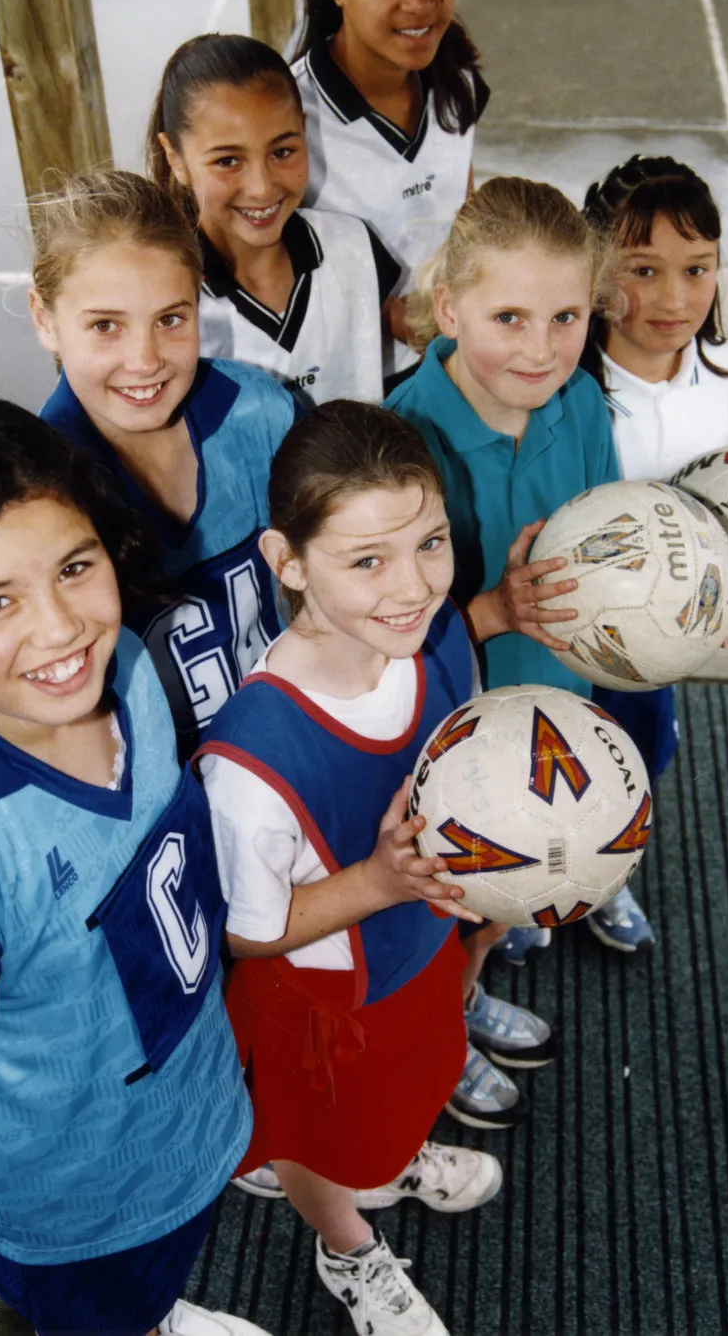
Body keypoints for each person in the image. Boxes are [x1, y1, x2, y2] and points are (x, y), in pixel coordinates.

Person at [0, 395, 269, 1336]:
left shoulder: (131, 674)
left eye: (76, 568)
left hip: (181, 1108)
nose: (62, 627)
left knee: (146, 1289)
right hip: (71, 1196)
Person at [196, 402, 504, 1336]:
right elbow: (247, 932)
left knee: (404, 1092)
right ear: (287, 561)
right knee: (320, 1137)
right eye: (366, 559)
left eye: (431, 542)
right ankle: (345, 1244)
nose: (411, 585)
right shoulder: (251, 758)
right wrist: (376, 882)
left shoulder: (435, 635)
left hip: (419, 953)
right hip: (322, 1003)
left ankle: (388, 1157)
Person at [386, 176, 657, 1008]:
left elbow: (613, 542)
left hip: (558, 693)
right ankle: (454, 1016)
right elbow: (378, 639)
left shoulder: (578, 401)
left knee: (522, 876)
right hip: (449, 729)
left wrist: (691, 588)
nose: (541, 349)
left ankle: (524, 915)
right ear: (450, 309)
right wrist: (492, 610)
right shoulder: (402, 435)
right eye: (510, 318)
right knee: (448, 911)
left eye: (566, 318)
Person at [32, 169, 296, 756]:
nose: (144, 360)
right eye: (106, 326)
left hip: (296, 750)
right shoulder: (34, 494)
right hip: (168, 808)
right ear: (45, 319)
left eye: (171, 319)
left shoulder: (263, 413)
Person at [579, 153, 728, 944]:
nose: (674, 298)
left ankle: (609, 874)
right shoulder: (567, 387)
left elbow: (718, 502)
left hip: (657, 637)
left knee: (636, 758)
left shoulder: (726, 376)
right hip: (563, 623)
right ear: (598, 265)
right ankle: (519, 887)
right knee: (552, 752)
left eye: (697, 268)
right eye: (643, 269)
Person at [291, 0, 489, 377]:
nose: (420, 1)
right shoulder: (288, 119)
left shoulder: (457, 87)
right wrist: (380, 316)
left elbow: (462, 218)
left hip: (447, 363)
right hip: (346, 387)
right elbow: (264, 270)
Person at [148, 34, 401, 405]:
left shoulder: (354, 246)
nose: (262, 188)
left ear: (304, 129)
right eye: (227, 161)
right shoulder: (163, 299)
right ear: (175, 158)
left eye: (282, 151)